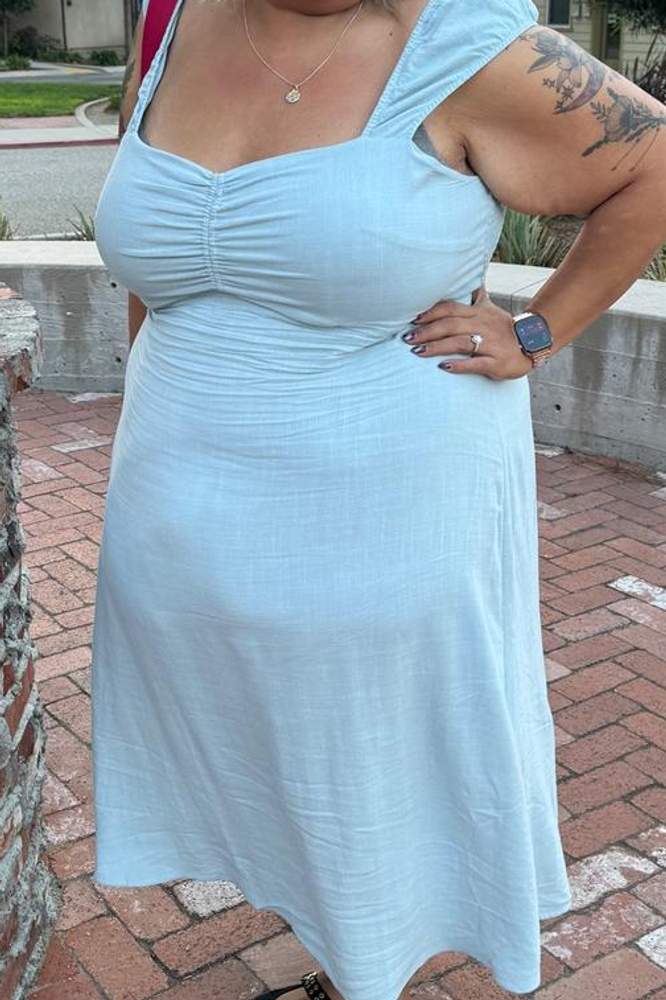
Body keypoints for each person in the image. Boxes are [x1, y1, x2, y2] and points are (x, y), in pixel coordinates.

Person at [89, 0, 666, 998]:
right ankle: (333, 943)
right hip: (185, 518)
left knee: (369, 762)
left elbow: (654, 165)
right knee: (263, 757)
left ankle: (368, 967)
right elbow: (159, 280)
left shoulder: (462, 43)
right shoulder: (172, 20)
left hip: (381, 515)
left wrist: (536, 333)